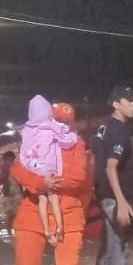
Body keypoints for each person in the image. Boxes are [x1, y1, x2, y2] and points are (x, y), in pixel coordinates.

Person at [5, 102, 92, 265]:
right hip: (33, 208)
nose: (61, 125)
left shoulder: (77, 144)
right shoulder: (34, 139)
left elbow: (78, 177)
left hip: (68, 211)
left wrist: (50, 183)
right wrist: (40, 183)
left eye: (66, 121)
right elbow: (17, 169)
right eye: (57, 120)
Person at [93, 86, 133, 265]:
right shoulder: (119, 131)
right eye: (129, 100)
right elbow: (111, 166)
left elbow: (97, 161)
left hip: (105, 196)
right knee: (120, 246)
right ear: (116, 104)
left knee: (109, 245)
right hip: (117, 197)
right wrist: (122, 201)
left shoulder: (103, 128)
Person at [20, 95, 80, 245]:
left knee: (42, 199)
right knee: (53, 198)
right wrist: (73, 135)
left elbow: (23, 153)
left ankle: (46, 230)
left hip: (34, 168)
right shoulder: (49, 127)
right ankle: (60, 228)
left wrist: (29, 168)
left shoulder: (26, 130)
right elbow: (67, 141)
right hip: (48, 168)